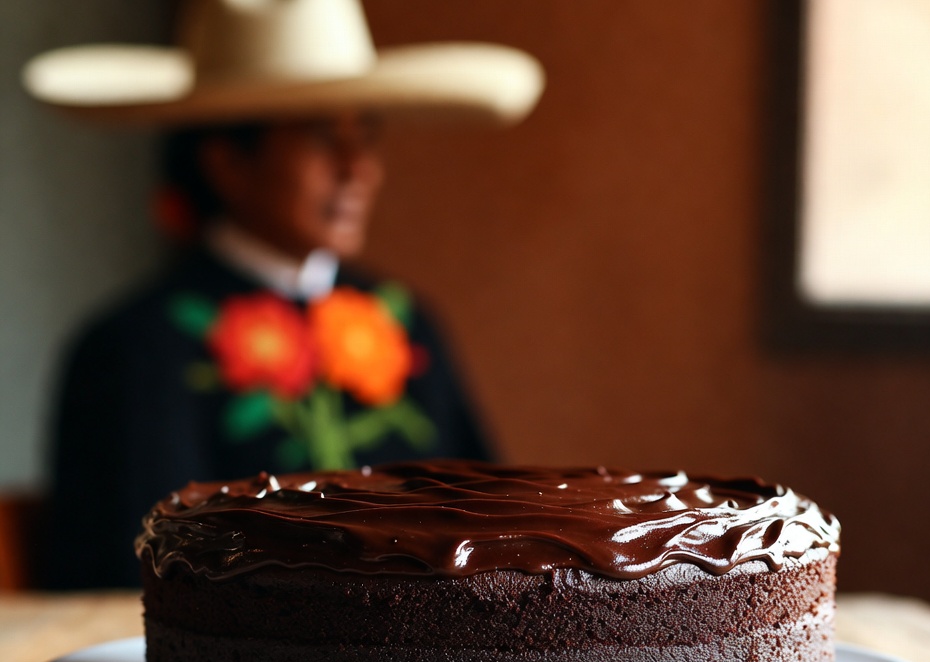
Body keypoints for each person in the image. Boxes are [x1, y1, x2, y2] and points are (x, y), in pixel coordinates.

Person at [22, 0, 544, 589]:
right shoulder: (136, 347)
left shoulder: (406, 323)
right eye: (323, 139)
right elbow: (121, 571)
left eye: (365, 136)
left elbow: (488, 529)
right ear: (228, 163)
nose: (357, 169)